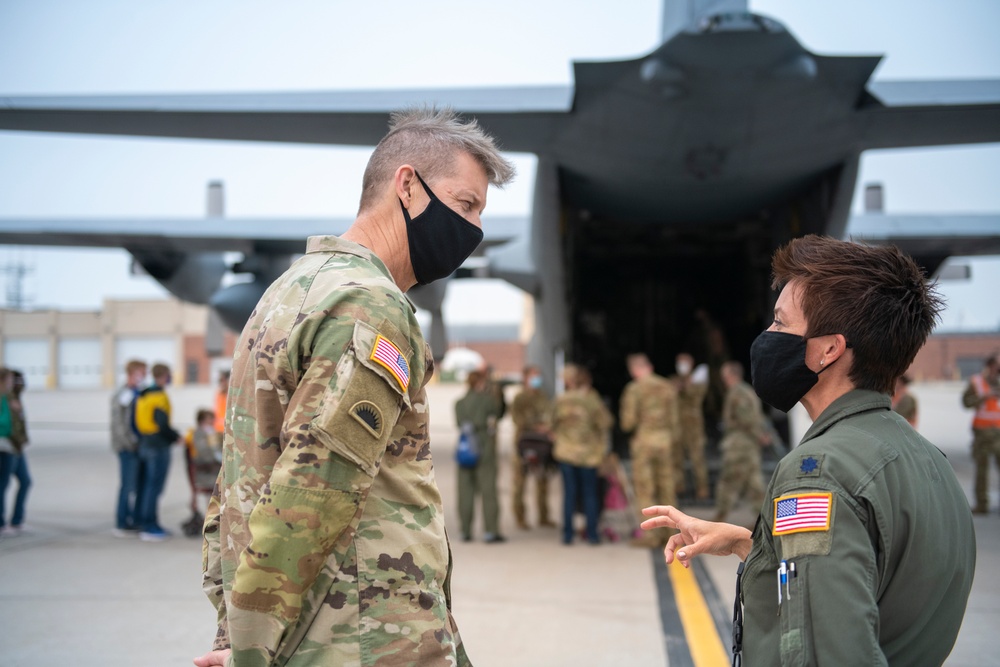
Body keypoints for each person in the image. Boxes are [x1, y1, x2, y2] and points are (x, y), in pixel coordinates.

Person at [195, 108, 514, 667]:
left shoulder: (286, 291)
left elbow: (239, 478)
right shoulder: (371, 304)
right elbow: (313, 484)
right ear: (408, 186)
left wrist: (235, 628)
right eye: (466, 204)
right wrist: (249, 650)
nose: (475, 230)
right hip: (362, 633)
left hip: (317, 631)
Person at [641, 235, 975, 666]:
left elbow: (829, 652)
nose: (767, 336)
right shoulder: (927, 460)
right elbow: (873, 581)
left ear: (828, 350)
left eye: (780, 323)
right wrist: (752, 545)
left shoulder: (819, 474)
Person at [619, 353, 680, 547]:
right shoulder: (667, 386)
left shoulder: (634, 389)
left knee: (645, 489)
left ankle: (650, 536)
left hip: (644, 442)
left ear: (633, 369)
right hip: (665, 441)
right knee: (666, 487)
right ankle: (671, 533)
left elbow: (628, 423)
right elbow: (675, 420)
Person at [551, 363, 613, 545]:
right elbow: (606, 422)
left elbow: (551, 423)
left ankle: (568, 534)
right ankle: (592, 535)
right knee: (590, 494)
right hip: (588, 455)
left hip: (566, 453)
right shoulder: (591, 399)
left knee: (569, 493)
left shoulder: (561, 399)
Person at [712, 360, 768, 524]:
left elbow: (746, 418)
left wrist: (759, 434)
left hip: (739, 445)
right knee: (753, 483)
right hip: (749, 445)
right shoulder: (747, 391)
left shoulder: (737, 393)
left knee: (728, 481)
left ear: (729, 375)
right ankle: (763, 520)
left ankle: (720, 518)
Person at [454, 369, 505, 543]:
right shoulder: (487, 401)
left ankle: (465, 530)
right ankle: (491, 530)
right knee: (488, 490)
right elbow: (500, 412)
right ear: (480, 383)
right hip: (484, 445)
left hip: (465, 446)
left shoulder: (459, 403)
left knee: (465, 490)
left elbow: (459, 423)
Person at [134, 362, 181, 542]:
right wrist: (175, 437)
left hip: (145, 443)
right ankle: (149, 525)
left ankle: (144, 521)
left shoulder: (143, 394)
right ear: (164, 376)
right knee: (154, 487)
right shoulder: (159, 396)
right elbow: (162, 424)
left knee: (146, 486)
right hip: (158, 445)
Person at [510, 365, 554, 530]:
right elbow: (517, 419)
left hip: (541, 445)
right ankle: (520, 517)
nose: (537, 379)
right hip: (523, 443)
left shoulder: (543, 396)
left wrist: (547, 427)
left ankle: (544, 516)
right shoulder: (520, 398)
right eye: (534, 376)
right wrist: (537, 426)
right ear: (525, 378)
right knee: (520, 483)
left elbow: (550, 415)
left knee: (543, 481)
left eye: (538, 376)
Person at [111, 359, 147, 536]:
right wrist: (129, 443)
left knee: (139, 484)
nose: (144, 376)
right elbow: (119, 424)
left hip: (138, 446)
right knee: (127, 485)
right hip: (128, 447)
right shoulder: (123, 394)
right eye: (141, 372)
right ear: (132, 373)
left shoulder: (138, 392)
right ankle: (121, 521)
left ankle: (134, 519)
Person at [669, 352, 710, 502]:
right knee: (676, 458)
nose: (681, 366)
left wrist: (686, 384)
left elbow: (695, 394)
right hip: (677, 426)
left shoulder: (698, 379)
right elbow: (668, 393)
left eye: (684, 362)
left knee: (697, 458)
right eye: (679, 362)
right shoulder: (674, 379)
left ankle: (702, 489)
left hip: (694, 427)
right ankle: (679, 487)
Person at [963, 355, 1000, 514]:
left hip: (998, 434)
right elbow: (966, 402)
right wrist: (983, 397)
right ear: (990, 366)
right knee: (981, 471)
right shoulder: (977, 381)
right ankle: (982, 504)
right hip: (983, 435)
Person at [182, 408, 222, 536]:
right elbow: (203, 454)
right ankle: (214, 519)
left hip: (213, 469)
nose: (212, 422)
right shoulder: (198, 434)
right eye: (209, 419)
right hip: (205, 472)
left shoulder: (212, 433)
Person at [0, 368, 30, 536]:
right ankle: (1, 522)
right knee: (3, 484)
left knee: (25, 481)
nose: (13, 383)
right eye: (10, 379)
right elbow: (4, 424)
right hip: (6, 446)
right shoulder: (3, 399)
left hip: (16, 446)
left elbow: (21, 386)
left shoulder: (12, 396)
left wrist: (18, 375)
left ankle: (17, 520)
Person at [212, 370, 229, 446]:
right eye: (220, 381)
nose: (221, 383)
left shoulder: (233, 395)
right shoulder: (219, 394)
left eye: (222, 380)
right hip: (218, 429)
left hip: (229, 430)